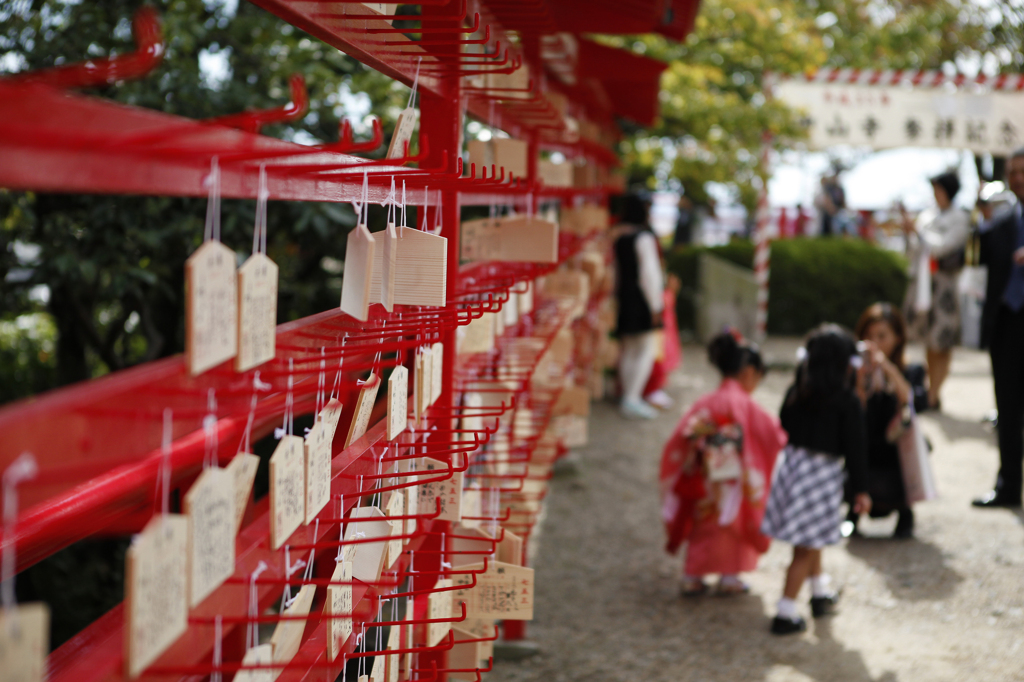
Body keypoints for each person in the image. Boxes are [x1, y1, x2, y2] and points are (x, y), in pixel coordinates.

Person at [659, 331, 787, 596]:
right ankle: (730, 578)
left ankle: (692, 576)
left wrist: (699, 446)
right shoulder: (745, 404)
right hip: (735, 480)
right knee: (735, 527)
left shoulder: (706, 402)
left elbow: (679, 439)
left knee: (702, 526)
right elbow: (773, 436)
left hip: (705, 479)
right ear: (749, 373)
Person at [761, 324, 870, 635]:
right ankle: (785, 611)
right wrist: (861, 490)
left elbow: (783, 427)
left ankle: (819, 593)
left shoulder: (797, 393)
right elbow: (856, 448)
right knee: (805, 547)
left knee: (812, 539)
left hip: (794, 470)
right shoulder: (847, 401)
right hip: (821, 477)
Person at [845, 303, 929, 538]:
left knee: (906, 449)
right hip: (867, 442)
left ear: (898, 338)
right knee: (855, 447)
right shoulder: (856, 371)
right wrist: (860, 381)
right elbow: (852, 411)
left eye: (882, 336)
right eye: (869, 336)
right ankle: (853, 511)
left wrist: (887, 367)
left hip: (896, 446)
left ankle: (905, 512)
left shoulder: (911, 369)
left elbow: (913, 402)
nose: (875, 342)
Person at [973, 148, 1024, 509]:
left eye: (1023, 171)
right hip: (1007, 322)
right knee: (1007, 407)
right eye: (1013, 172)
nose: (1018, 178)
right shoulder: (1002, 223)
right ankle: (1008, 486)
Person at [901, 171, 971, 411]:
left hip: (944, 286)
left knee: (943, 340)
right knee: (929, 341)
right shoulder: (927, 215)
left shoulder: (960, 218)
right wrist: (909, 232)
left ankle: (935, 392)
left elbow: (942, 248)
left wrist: (917, 232)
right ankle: (932, 390)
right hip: (924, 284)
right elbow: (915, 251)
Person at [614, 193, 665, 420]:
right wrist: (656, 305)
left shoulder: (619, 238)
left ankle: (628, 395)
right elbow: (650, 276)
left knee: (628, 349)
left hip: (624, 298)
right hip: (641, 300)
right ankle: (632, 398)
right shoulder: (644, 238)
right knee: (644, 349)